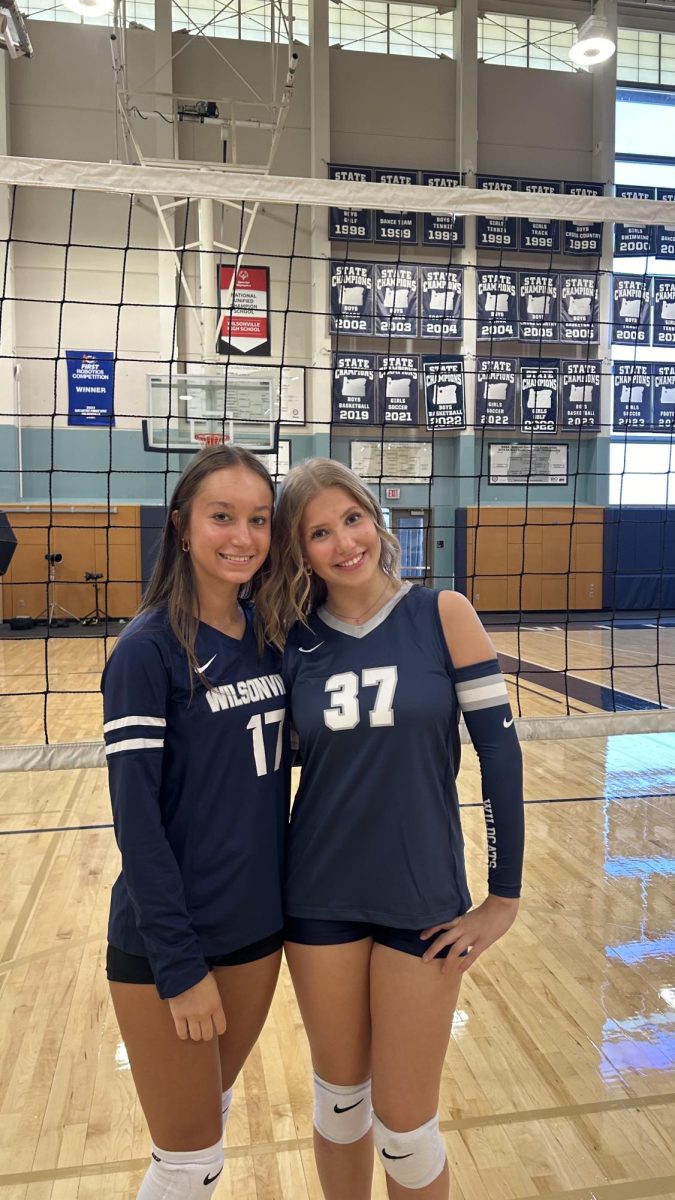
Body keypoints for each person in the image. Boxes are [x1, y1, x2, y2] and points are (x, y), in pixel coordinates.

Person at [257, 458, 525, 1200]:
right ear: (298, 549)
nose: (345, 542)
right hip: (319, 895)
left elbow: (499, 754)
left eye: (352, 519)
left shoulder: (442, 614)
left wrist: (502, 898)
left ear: (375, 520)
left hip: (420, 894)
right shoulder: (294, 640)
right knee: (340, 1107)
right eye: (319, 532)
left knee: (405, 1129)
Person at [102, 445, 290, 1200]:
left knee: (207, 1117)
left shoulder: (270, 638)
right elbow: (135, 823)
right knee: (189, 1161)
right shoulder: (148, 650)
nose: (241, 536)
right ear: (182, 527)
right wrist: (179, 969)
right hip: (169, 942)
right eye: (221, 517)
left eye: (256, 520)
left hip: (257, 931)